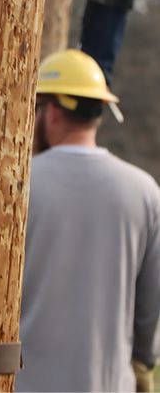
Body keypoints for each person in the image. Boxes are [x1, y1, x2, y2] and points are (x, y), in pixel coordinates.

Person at [16, 49, 160, 392]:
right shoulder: (145, 192)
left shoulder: (16, 187)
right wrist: (142, 363)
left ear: (49, 112)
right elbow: (149, 310)